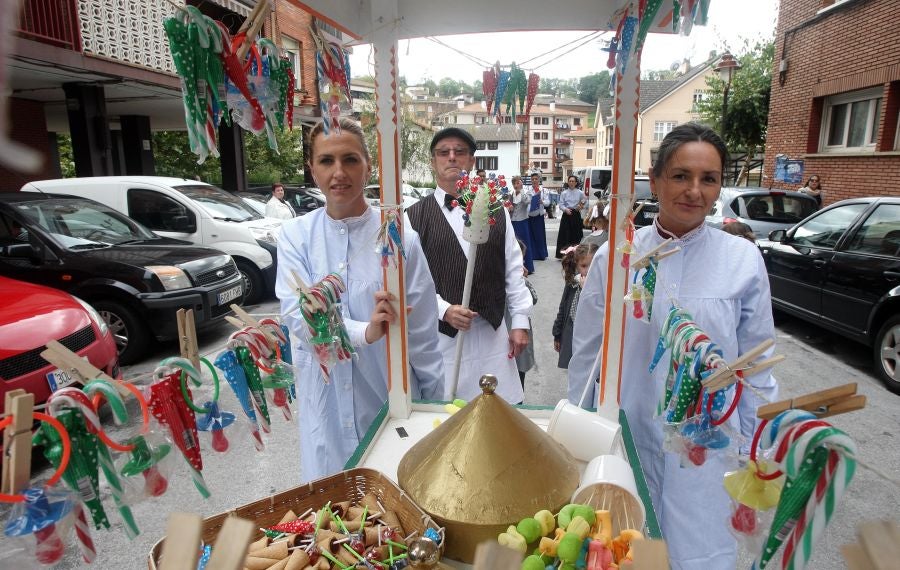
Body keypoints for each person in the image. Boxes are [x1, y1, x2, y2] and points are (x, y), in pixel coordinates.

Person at [567, 123, 778, 569]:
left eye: (709, 179)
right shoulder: (617, 258)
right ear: (656, 179)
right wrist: (579, 435)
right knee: (625, 550)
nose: (694, 191)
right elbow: (587, 354)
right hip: (626, 437)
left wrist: (756, 450)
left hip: (705, 450)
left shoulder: (741, 260)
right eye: (681, 176)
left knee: (697, 555)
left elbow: (757, 365)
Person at [275, 118, 444, 481]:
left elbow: (423, 336)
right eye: (326, 160)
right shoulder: (296, 238)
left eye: (350, 159)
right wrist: (365, 332)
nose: (339, 172)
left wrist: (436, 408)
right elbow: (298, 316)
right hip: (328, 411)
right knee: (333, 505)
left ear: (369, 166)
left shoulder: (399, 239)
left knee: (395, 498)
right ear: (312, 169)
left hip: (387, 404)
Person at [406, 127, 532, 403]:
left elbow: (513, 270)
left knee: (499, 414)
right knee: (448, 415)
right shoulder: (412, 217)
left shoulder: (497, 210)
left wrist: (520, 321)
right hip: (445, 340)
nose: (452, 157)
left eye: (460, 152)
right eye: (443, 152)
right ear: (433, 161)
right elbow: (409, 282)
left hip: (492, 337)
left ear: (472, 161)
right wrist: (444, 310)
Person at [553, 243, 598, 369]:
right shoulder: (572, 283)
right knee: (574, 366)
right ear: (577, 266)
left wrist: (586, 291)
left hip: (589, 337)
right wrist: (557, 334)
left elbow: (594, 311)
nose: (588, 270)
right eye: (583, 266)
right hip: (571, 332)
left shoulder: (600, 286)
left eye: (592, 265)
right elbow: (562, 308)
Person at [507, 239, 537, 390]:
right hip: (507, 335)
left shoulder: (520, 284)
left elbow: (533, 299)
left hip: (518, 337)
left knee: (518, 378)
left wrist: (523, 280)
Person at [508, 175, 535, 275]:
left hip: (522, 221)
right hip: (513, 221)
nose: (516, 185)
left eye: (517, 183)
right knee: (514, 244)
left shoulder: (527, 192)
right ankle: (515, 267)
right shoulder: (511, 194)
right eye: (514, 183)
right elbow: (509, 206)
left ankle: (528, 267)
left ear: (521, 183)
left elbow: (527, 201)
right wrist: (509, 208)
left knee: (524, 244)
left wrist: (521, 190)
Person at [555, 175, 587, 258]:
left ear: (576, 183)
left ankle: (575, 253)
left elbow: (584, 201)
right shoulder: (564, 193)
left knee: (577, 234)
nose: (571, 183)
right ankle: (564, 254)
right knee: (565, 235)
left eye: (573, 181)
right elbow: (561, 204)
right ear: (568, 182)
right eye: (570, 181)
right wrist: (565, 209)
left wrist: (581, 206)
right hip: (566, 215)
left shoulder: (580, 192)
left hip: (576, 214)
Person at [527, 172, 550, 261]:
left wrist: (542, 202)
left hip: (539, 216)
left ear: (539, 180)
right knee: (530, 236)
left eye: (536, 179)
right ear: (531, 180)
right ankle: (532, 255)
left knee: (540, 236)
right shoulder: (527, 190)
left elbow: (548, 203)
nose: (534, 180)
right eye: (532, 179)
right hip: (529, 216)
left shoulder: (544, 190)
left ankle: (541, 254)